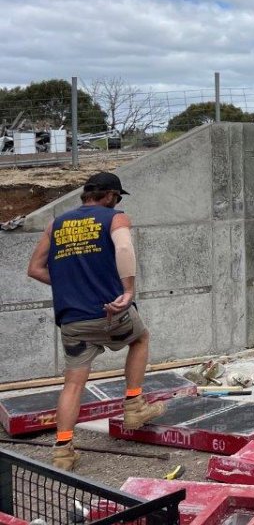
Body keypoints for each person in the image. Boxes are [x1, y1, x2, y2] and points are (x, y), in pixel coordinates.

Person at [26, 171, 165, 470]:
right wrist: (128, 290)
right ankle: (134, 405)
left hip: (72, 319)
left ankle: (63, 451)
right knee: (140, 338)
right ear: (110, 196)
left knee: (73, 384)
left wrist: (70, 284)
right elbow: (125, 249)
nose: (115, 203)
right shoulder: (114, 218)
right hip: (109, 312)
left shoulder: (56, 224)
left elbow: (35, 269)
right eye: (115, 199)